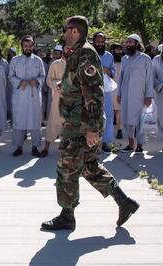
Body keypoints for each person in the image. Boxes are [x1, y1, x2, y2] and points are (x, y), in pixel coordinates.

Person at [41, 16, 139, 231]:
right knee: (89, 167)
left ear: (75, 31)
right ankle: (124, 202)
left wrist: (92, 128)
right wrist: (63, 86)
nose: (63, 33)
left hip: (81, 124)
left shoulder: (84, 53)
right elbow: (79, 84)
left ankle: (67, 216)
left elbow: (94, 93)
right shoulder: (76, 52)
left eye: (66, 29)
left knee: (66, 168)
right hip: (79, 122)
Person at [9, 35, 45, 157]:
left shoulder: (38, 60)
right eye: (26, 46)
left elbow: (43, 76)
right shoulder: (15, 60)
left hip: (34, 96)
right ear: (22, 47)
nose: (28, 48)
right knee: (19, 121)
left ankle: (35, 147)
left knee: (35, 121)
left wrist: (38, 81)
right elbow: (11, 76)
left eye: (30, 46)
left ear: (33, 46)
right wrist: (19, 82)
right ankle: (19, 146)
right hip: (19, 96)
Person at [117, 34, 154, 154]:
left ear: (137, 44)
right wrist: (119, 93)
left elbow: (150, 79)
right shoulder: (124, 59)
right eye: (127, 42)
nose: (127, 44)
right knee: (127, 120)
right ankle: (131, 144)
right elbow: (121, 78)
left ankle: (140, 145)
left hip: (140, 95)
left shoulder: (145, 58)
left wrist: (149, 95)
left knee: (140, 121)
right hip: (126, 94)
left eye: (130, 42)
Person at [92, 32, 116, 154]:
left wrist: (108, 71)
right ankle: (94, 143)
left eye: (102, 42)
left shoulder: (109, 56)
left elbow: (113, 71)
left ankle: (106, 142)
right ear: (94, 42)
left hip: (105, 91)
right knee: (93, 116)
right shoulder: (89, 54)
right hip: (91, 91)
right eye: (98, 42)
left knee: (108, 115)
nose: (100, 44)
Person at [40, 52, 66, 157]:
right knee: (53, 121)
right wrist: (58, 84)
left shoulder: (76, 64)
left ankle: (65, 149)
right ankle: (46, 148)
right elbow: (49, 80)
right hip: (57, 97)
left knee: (68, 125)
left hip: (72, 98)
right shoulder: (55, 64)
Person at [110, 43, 123, 139]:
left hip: (120, 90)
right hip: (109, 90)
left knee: (119, 111)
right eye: (117, 50)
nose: (119, 52)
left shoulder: (125, 61)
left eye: (120, 50)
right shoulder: (109, 62)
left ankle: (119, 130)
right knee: (110, 112)